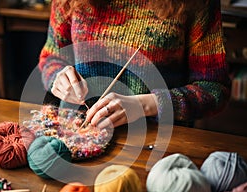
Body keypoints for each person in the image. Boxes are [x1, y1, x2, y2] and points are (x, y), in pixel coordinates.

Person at [38, 0, 231, 129]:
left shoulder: (196, 3)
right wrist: (58, 78)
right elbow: (51, 57)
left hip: (157, 139)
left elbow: (214, 88)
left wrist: (145, 105)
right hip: (78, 134)